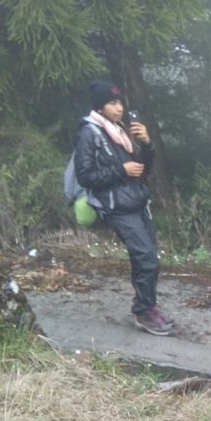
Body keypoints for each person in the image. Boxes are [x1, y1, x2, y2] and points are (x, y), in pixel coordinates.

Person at [73, 79, 174, 335]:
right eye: (112, 102)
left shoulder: (120, 132)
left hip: (137, 201)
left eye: (120, 102)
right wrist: (121, 169)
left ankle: (147, 306)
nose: (119, 108)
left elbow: (143, 171)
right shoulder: (90, 133)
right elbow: (85, 176)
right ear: (100, 105)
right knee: (145, 257)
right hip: (116, 206)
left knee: (148, 257)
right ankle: (143, 311)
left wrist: (147, 144)